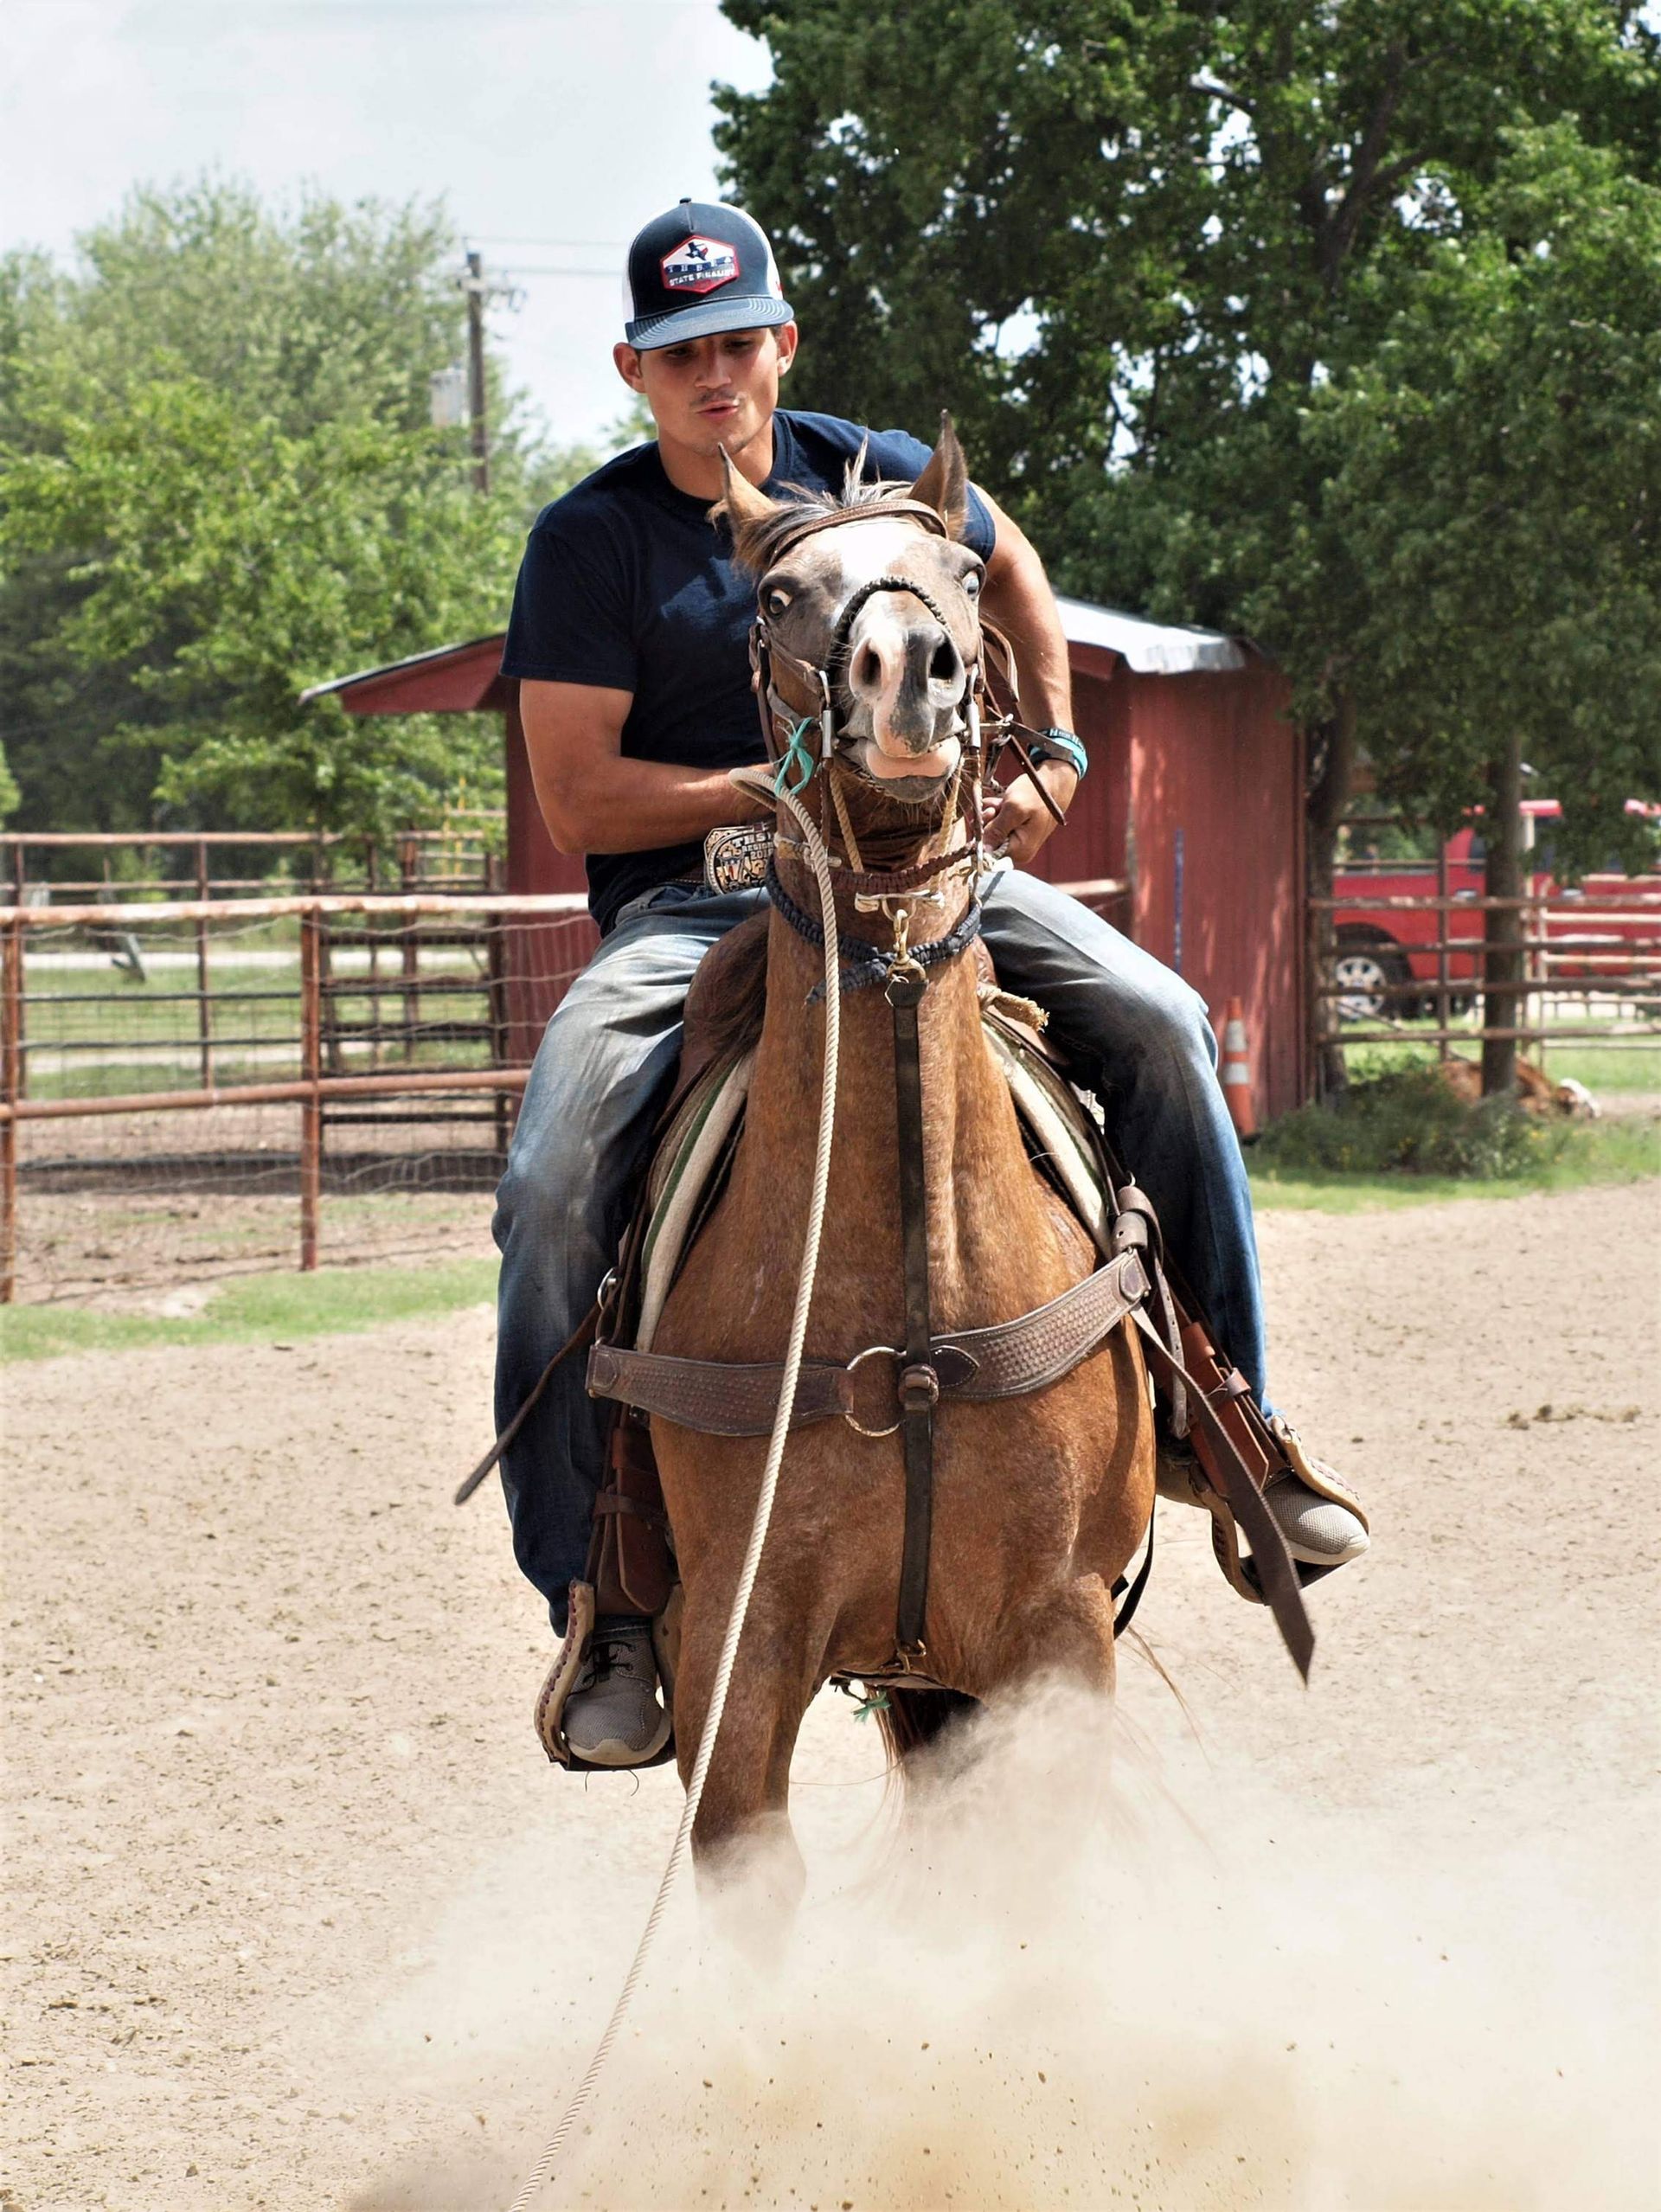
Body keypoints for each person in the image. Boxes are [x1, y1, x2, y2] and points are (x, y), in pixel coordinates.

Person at [495, 198, 1368, 1766]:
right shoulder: (589, 541)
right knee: (558, 1166)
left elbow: (1011, 565)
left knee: (1166, 1026)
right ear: (633, 367)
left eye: (740, 341)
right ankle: (605, 1590)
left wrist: (1056, 749)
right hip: (703, 911)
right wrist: (758, 798)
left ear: (785, 343)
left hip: (934, 884)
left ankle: (1229, 1428)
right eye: (681, 353)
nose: (718, 374)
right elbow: (577, 797)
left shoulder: (868, 469)